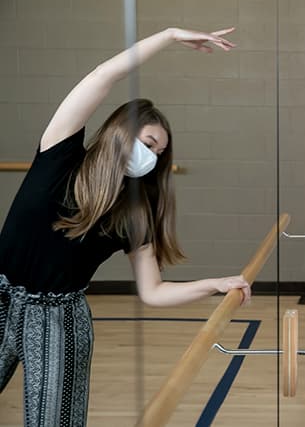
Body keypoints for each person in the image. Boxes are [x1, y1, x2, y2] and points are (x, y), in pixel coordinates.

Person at [0, 26, 251, 426]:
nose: (152, 155)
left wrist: (214, 285)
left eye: (159, 152)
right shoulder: (60, 155)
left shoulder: (133, 214)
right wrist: (169, 35)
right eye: (148, 142)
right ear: (123, 129)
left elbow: (153, 292)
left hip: (60, 319)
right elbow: (103, 76)